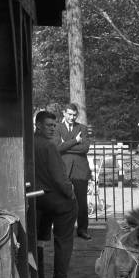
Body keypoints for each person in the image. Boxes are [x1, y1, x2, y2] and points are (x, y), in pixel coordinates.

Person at [34, 111, 78, 278]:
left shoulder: (29, 143)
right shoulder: (49, 146)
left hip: (37, 199)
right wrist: (72, 194)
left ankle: (38, 274)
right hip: (56, 200)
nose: (52, 128)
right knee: (63, 241)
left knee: (39, 238)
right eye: (48, 125)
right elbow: (60, 178)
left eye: (54, 125)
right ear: (38, 125)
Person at [55, 103, 92, 240]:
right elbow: (57, 148)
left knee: (81, 203)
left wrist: (66, 144)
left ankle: (82, 230)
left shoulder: (82, 128)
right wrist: (75, 141)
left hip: (80, 171)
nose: (72, 117)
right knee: (63, 201)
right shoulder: (57, 128)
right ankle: (64, 230)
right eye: (69, 114)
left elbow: (85, 148)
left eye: (74, 115)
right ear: (64, 113)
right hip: (63, 170)